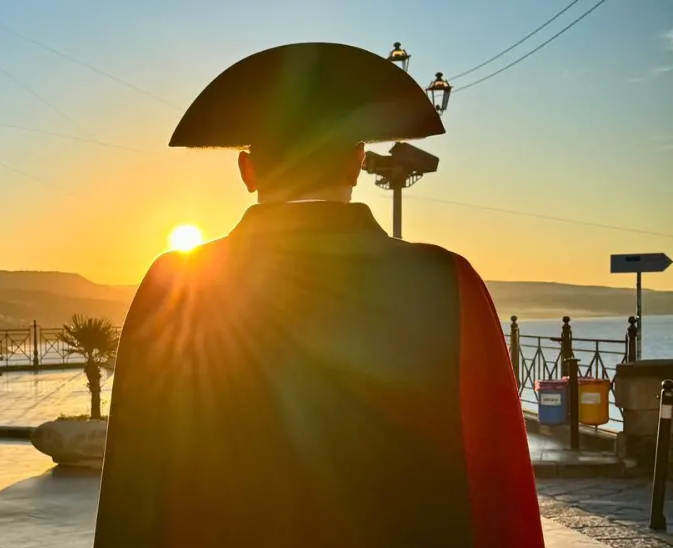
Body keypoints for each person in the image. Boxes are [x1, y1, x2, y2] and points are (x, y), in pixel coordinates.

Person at [94, 42, 543, 548]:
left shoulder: (176, 285)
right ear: (357, 162)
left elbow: (134, 486)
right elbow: (496, 486)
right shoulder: (446, 282)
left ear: (248, 170)